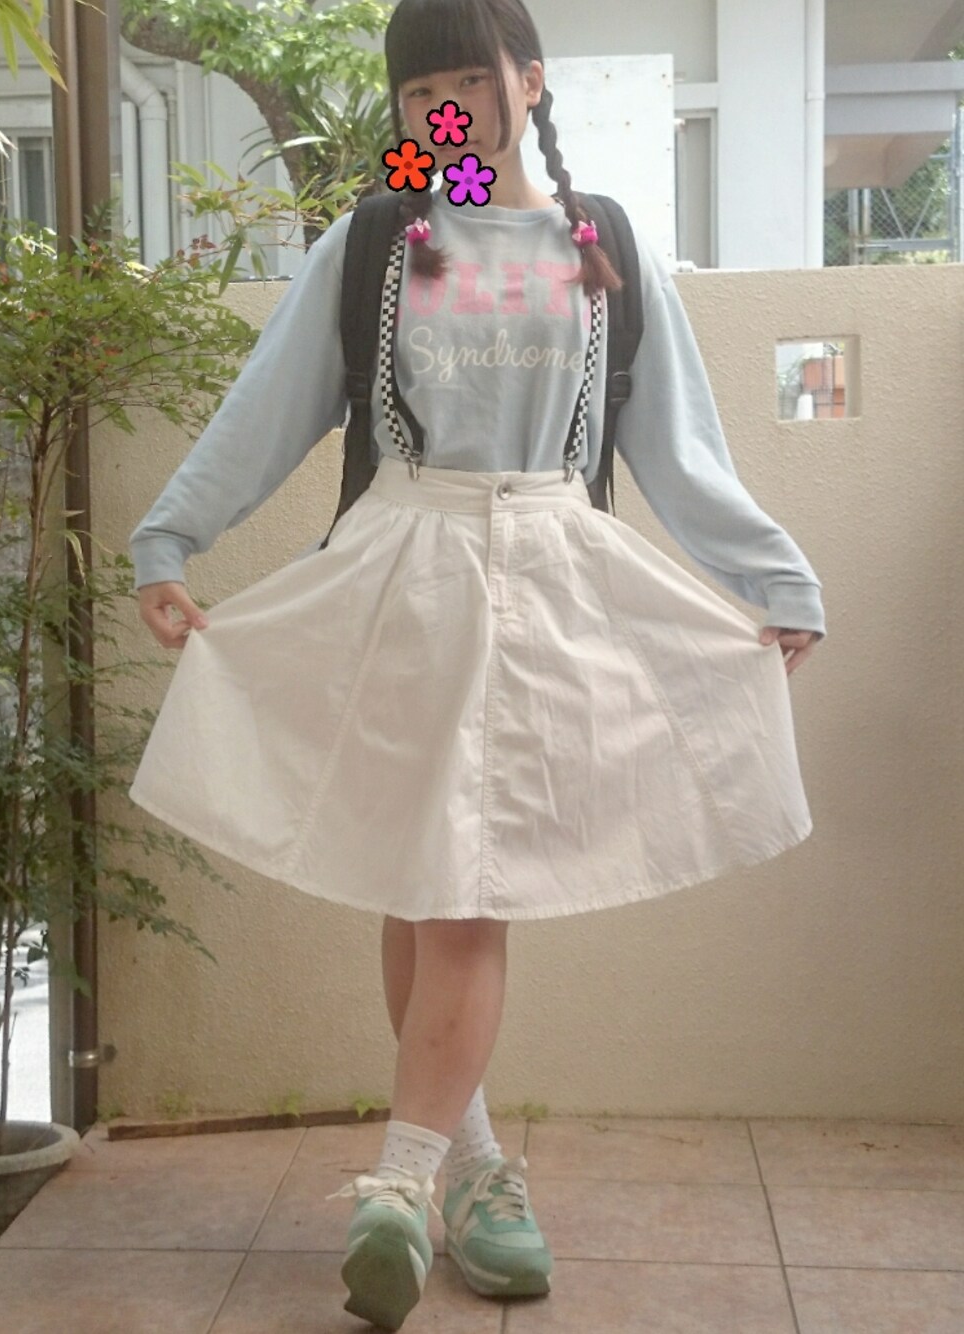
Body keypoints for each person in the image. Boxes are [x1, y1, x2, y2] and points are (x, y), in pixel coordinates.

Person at [128, 0, 825, 1326]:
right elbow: (266, 411)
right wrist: (169, 540)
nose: (448, 108)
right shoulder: (378, 241)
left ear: (531, 82)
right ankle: (462, 1171)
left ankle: (410, 1181)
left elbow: (678, 447)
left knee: (459, 887)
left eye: (472, 77)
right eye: (420, 93)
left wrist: (775, 578)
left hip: (550, 582)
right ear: (402, 111)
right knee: (432, 883)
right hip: (405, 576)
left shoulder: (602, 245)